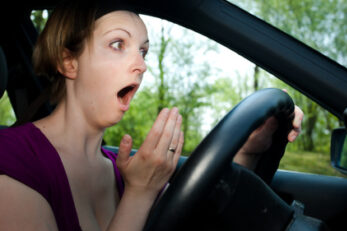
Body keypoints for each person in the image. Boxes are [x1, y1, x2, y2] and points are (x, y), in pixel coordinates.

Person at [0, 0, 303, 230]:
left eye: (143, 51)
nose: (141, 65)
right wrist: (140, 194)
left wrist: (250, 149)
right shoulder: (11, 158)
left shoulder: (124, 169)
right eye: (118, 44)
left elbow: (203, 217)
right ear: (69, 63)